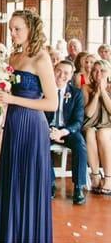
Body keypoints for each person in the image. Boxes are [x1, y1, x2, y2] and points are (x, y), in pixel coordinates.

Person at [0, 9, 57, 243]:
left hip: (32, 127)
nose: (12, 33)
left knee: (28, 183)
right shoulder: (13, 58)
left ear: (30, 29)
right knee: (11, 181)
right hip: (13, 123)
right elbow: (6, 93)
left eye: (17, 29)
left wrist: (12, 100)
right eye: (10, 29)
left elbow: (51, 103)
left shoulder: (41, 58)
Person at [47, 60, 87, 205]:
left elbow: (78, 121)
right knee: (40, 143)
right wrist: (50, 130)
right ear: (53, 70)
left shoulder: (76, 94)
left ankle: (79, 186)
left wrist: (63, 132)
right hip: (48, 129)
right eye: (58, 70)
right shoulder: (45, 89)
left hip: (67, 130)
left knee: (80, 144)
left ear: (70, 76)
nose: (61, 75)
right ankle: (49, 183)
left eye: (66, 73)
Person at [82, 60, 111, 194]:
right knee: (89, 132)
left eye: (102, 71)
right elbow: (88, 113)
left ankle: (108, 177)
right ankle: (95, 176)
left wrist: (103, 91)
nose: (98, 74)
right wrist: (97, 94)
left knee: (103, 133)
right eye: (95, 70)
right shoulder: (86, 88)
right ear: (92, 73)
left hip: (107, 126)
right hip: (90, 125)